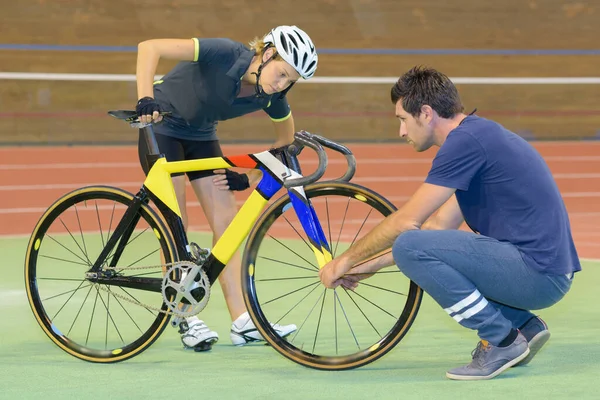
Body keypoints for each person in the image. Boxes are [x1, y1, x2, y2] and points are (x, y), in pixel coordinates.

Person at [318, 66, 580, 380]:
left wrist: (345, 260)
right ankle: (523, 325)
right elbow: (436, 227)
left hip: (538, 274)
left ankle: (501, 339)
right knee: (414, 247)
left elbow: (407, 224)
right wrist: (369, 265)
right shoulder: (477, 135)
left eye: (402, 119)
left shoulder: (465, 142)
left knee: (408, 243)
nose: (401, 132)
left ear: (426, 113)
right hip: (545, 272)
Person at [134, 25, 318, 351]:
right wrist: (144, 97)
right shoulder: (224, 52)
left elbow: (285, 145)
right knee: (176, 224)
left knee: (228, 226)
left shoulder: (272, 96)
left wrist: (248, 179)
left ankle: (242, 321)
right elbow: (150, 46)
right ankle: (184, 313)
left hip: (202, 137)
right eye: (282, 73)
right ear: (268, 53)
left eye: (291, 80)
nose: (282, 84)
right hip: (161, 128)